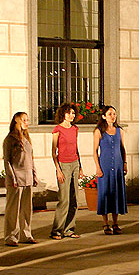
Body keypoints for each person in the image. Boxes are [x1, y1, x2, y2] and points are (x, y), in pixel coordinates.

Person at [3, 112, 38, 246]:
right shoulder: (10, 139)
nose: (26, 122)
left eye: (27, 119)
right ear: (17, 121)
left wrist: (34, 174)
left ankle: (26, 234)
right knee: (13, 208)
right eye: (24, 120)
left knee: (26, 208)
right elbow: (7, 160)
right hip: (16, 177)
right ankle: (11, 236)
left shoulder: (26, 139)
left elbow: (31, 158)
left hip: (28, 176)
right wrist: (12, 177)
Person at [93, 105, 127, 235]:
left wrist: (125, 163)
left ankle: (115, 222)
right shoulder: (99, 131)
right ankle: (105, 223)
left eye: (114, 114)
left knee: (116, 192)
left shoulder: (119, 131)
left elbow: (122, 148)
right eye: (110, 114)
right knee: (105, 192)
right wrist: (98, 167)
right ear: (103, 116)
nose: (113, 116)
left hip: (118, 165)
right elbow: (95, 151)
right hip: (105, 165)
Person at [51, 102, 83, 240]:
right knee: (64, 199)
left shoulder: (75, 129)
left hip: (74, 163)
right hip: (63, 165)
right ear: (63, 114)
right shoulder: (57, 130)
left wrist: (80, 166)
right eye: (69, 113)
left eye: (73, 113)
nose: (71, 115)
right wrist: (58, 170)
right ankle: (57, 230)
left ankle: (69, 228)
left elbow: (76, 149)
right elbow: (54, 152)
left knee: (74, 198)